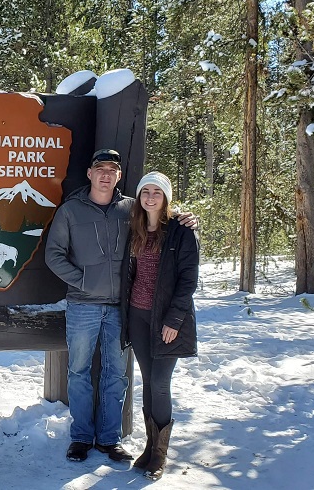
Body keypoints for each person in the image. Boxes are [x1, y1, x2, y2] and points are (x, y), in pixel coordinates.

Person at [45, 150, 196, 463]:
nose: (105, 175)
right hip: (83, 305)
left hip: (120, 308)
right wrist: (84, 281)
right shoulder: (71, 210)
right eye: (99, 169)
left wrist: (185, 217)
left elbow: (159, 215)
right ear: (89, 173)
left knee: (117, 373)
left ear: (118, 176)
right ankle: (82, 437)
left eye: (111, 170)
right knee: (79, 371)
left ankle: (109, 439)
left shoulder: (130, 208)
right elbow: (54, 255)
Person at [122, 171, 199, 480]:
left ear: (166, 197)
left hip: (167, 319)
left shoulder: (181, 230)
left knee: (160, 383)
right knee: (147, 381)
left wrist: (174, 320)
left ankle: (160, 455)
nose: (150, 196)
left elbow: (188, 280)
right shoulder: (135, 229)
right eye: (145, 191)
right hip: (138, 316)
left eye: (157, 191)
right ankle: (149, 445)